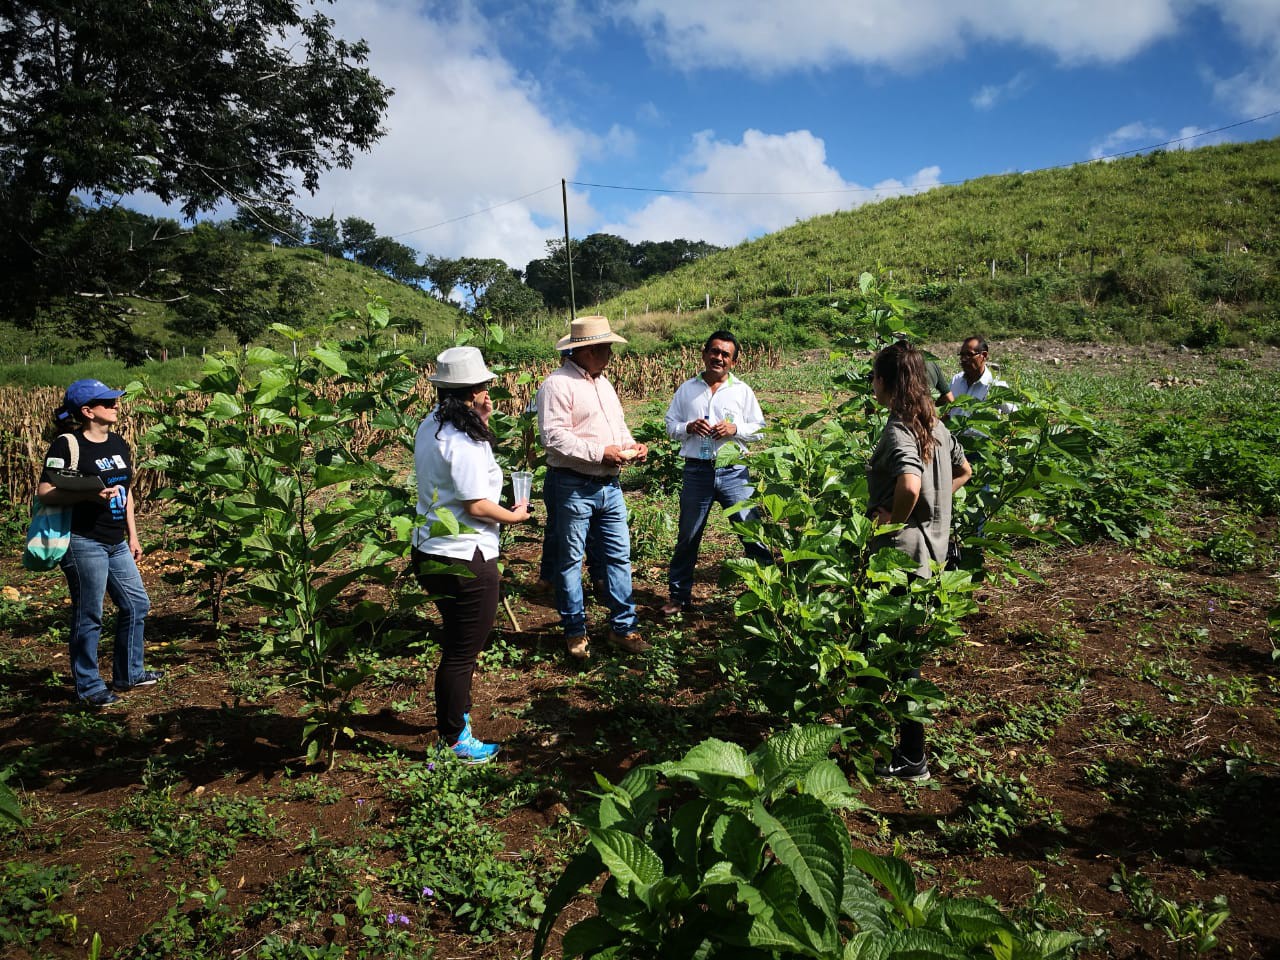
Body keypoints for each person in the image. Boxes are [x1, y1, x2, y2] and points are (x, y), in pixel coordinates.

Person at [412, 347, 531, 764]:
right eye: (484, 387)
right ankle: (454, 740)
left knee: (454, 644)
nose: (489, 394)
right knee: (462, 653)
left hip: (429, 549)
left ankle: (453, 723)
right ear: (471, 392)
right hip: (466, 556)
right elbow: (477, 505)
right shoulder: (462, 439)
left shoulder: (431, 425)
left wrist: (479, 420)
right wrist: (515, 517)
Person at [866, 342, 972, 781]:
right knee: (900, 649)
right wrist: (937, 503)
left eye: (874, 375)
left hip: (902, 558)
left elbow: (909, 484)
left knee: (894, 654)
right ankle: (888, 740)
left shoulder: (898, 430)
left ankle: (912, 754)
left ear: (887, 382)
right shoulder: (936, 426)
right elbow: (966, 472)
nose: (871, 383)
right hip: (934, 556)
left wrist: (894, 520)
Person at [36, 379, 157, 707]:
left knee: (136, 604)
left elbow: (126, 491)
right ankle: (89, 687)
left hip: (115, 540)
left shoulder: (118, 443)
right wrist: (88, 493)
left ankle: (129, 673)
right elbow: (45, 492)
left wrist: (133, 534)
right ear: (88, 411)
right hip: (82, 541)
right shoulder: (67, 444)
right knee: (90, 613)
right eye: (108, 402)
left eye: (115, 400)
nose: (116, 405)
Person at [537, 315, 649, 660]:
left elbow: (618, 428)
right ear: (584, 350)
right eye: (604, 348)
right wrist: (600, 452)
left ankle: (623, 627)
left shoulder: (604, 384)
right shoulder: (557, 385)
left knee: (618, 557)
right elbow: (553, 437)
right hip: (572, 485)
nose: (610, 354)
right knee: (570, 562)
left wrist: (632, 445)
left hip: (609, 486)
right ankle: (575, 631)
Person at [662, 330, 771, 616]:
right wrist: (687, 427)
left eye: (725, 354)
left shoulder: (742, 391)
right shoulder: (687, 389)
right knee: (688, 536)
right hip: (697, 471)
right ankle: (678, 596)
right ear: (704, 353)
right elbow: (669, 424)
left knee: (751, 532)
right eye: (714, 351)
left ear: (733, 362)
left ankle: (768, 594)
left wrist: (735, 430)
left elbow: (759, 428)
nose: (719, 358)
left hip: (734, 470)